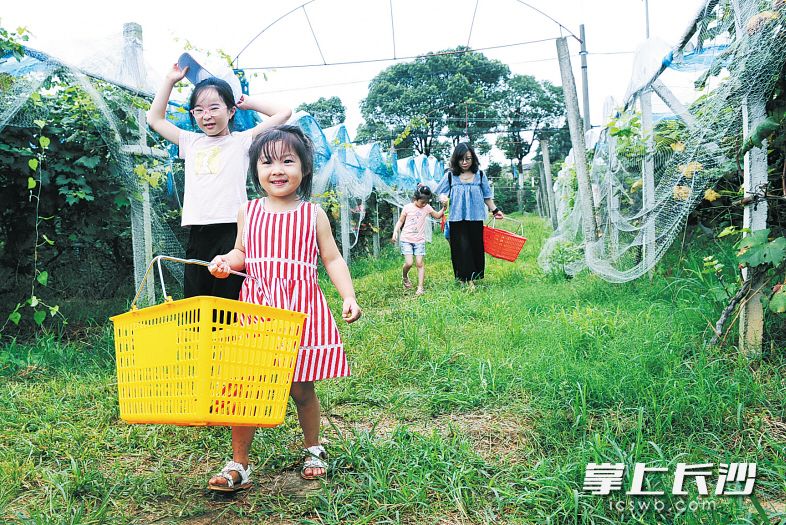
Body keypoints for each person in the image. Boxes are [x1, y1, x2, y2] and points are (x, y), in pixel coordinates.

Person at [207, 124, 362, 491]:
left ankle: (313, 449)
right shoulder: (248, 212)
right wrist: (226, 261)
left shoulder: (313, 215)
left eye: (287, 161)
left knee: (301, 387)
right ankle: (239, 463)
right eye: (267, 162)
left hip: (298, 312)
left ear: (304, 169)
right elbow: (241, 252)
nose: (277, 170)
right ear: (255, 170)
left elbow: (332, 258)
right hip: (258, 312)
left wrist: (348, 295)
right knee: (245, 387)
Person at [147, 63, 292, 300]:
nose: (207, 116)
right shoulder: (190, 142)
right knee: (196, 297)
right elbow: (154, 119)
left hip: (232, 232)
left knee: (229, 297)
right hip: (198, 231)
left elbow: (284, 113)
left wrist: (247, 102)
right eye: (199, 110)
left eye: (214, 108)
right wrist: (170, 81)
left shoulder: (241, 141)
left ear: (231, 111)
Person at [435, 143, 504, 283]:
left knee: (475, 246)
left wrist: (495, 210)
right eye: (461, 159)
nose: (464, 162)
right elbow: (441, 192)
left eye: (468, 159)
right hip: (456, 218)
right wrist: (443, 198)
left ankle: (473, 277)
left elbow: (487, 196)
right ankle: (466, 280)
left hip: (475, 217)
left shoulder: (480, 175)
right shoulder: (450, 175)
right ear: (456, 159)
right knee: (461, 247)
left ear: (473, 158)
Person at [391, 185, 444, 296]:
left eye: (426, 202)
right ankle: (405, 277)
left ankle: (420, 288)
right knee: (409, 263)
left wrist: (444, 208)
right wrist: (395, 232)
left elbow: (437, 216)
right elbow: (400, 221)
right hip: (406, 239)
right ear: (415, 198)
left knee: (419, 263)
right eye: (422, 202)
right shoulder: (407, 207)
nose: (424, 204)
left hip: (419, 240)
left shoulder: (427, 207)